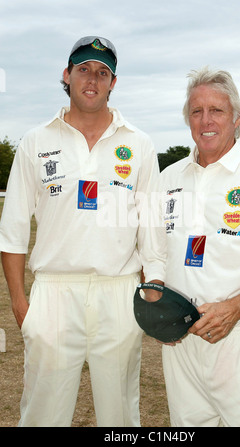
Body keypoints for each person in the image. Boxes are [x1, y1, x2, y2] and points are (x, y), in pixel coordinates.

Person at [0, 35, 159, 427]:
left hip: (119, 292)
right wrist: (22, 305)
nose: (93, 78)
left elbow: (152, 225)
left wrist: (153, 282)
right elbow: (13, 228)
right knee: (42, 415)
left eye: (103, 72)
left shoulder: (139, 144)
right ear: (67, 76)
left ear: (113, 83)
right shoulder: (36, 142)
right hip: (53, 293)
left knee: (119, 415)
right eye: (84, 69)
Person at [142, 67, 240, 427]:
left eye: (217, 110)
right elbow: (153, 254)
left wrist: (234, 308)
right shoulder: (169, 178)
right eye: (196, 111)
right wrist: (160, 308)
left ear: (237, 117)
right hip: (182, 345)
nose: (206, 120)